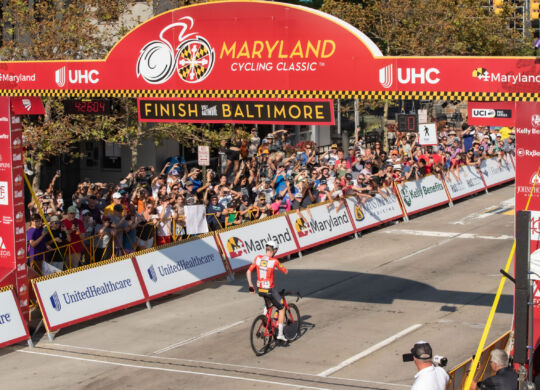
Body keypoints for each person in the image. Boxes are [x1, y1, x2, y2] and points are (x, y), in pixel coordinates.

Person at [246, 240, 289, 342]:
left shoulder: (257, 258)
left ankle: (266, 320)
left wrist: (250, 285)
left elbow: (248, 271)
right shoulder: (274, 261)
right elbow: (285, 271)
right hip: (270, 289)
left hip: (260, 289)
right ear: (274, 251)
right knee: (282, 308)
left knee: (268, 303)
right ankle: (280, 334)